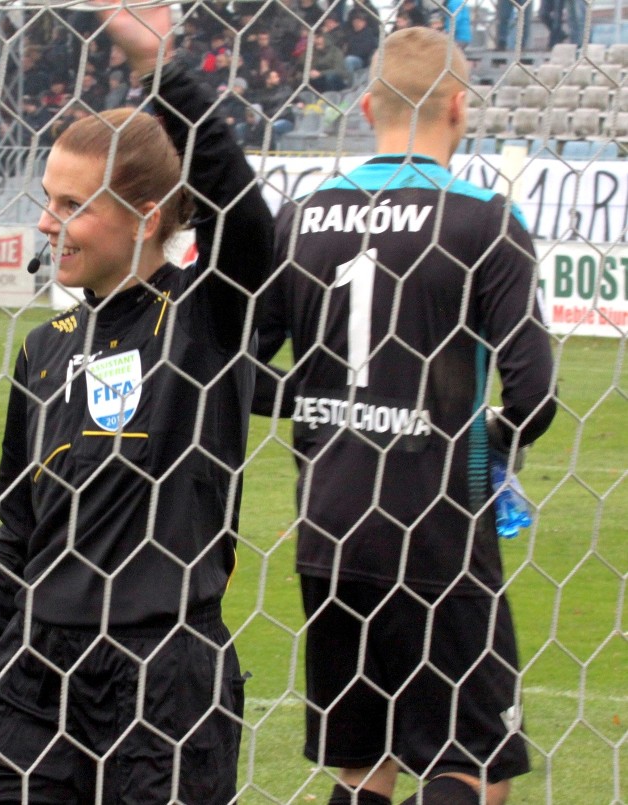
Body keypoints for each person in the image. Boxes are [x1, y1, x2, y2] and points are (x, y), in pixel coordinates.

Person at [0, 3, 273, 803]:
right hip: (33, 677)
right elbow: (17, 536)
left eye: (74, 205)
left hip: (163, 687)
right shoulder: (46, 349)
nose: (49, 222)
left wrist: (160, 68)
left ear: (147, 218)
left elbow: (245, 221)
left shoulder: (206, 322)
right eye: (49, 196)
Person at [252, 27, 555, 805]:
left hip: (330, 529)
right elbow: (534, 392)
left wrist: (326, 404)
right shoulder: (485, 220)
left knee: (365, 763)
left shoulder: (303, 216)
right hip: (436, 530)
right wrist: (486, 448)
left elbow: (240, 373)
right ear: (460, 107)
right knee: (475, 765)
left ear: (365, 105)